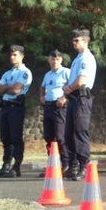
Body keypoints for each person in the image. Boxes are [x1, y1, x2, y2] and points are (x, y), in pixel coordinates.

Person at [0, 45, 32, 178]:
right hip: (5, 107)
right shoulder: (8, 73)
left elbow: (16, 90)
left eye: (15, 55)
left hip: (16, 107)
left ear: (22, 56)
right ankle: (6, 165)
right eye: (11, 55)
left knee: (15, 137)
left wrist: (6, 88)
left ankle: (16, 166)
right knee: (5, 138)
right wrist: (9, 86)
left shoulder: (24, 72)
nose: (12, 57)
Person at [64, 28, 97, 182]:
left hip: (82, 98)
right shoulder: (77, 58)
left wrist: (68, 88)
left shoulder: (87, 58)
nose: (74, 43)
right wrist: (67, 90)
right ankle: (73, 164)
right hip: (73, 98)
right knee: (69, 132)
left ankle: (84, 165)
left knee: (79, 132)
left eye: (77, 40)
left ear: (85, 41)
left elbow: (80, 81)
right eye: (73, 40)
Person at [38, 49, 71, 178]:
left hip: (60, 108)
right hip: (49, 106)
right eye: (52, 59)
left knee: (61, 137)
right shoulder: (48, 75)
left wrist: (65, 98)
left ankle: (66, 164)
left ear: (61, 60)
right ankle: (53, 165)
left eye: (57, 59)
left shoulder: (66, 72)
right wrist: (41, 97)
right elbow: (42, 87)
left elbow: (73, 87)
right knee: (49, 137)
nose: (55, 61)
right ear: (49, 60)